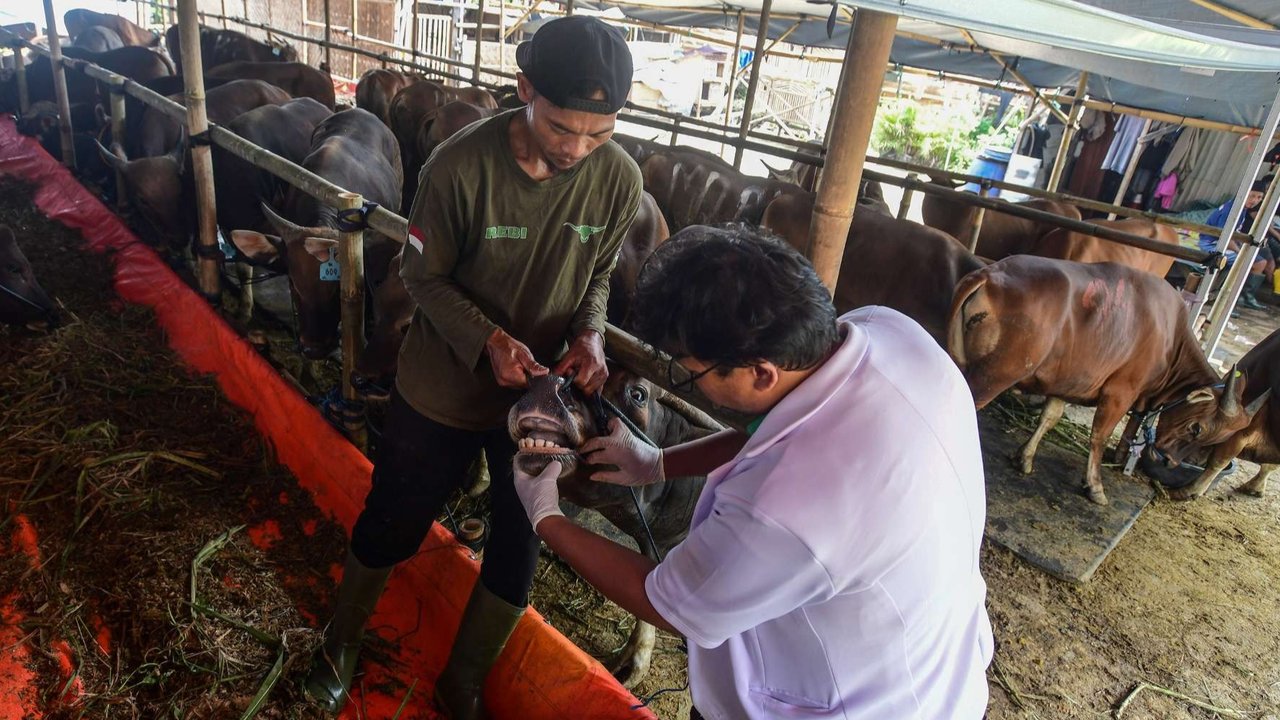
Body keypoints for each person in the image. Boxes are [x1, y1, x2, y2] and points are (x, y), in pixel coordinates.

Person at [303, 16, 642, 718]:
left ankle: (461, 682)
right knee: (395, 517)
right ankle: (340, 642)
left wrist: (590, 334)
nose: (577, 149)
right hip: (444, 389)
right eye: (562, 128)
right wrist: (487, 339)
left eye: (599, 134)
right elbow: (421, 275)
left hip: (539, 404)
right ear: (525, 90)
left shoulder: (618, 178)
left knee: (521, 549)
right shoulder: (458, 167)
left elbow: (600, 272)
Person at [514, 225, 994, 719]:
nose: (689, 383)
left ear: (762, 373)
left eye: (691, 374)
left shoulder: (785, 510)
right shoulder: (890, 331)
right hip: (942, 661)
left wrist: (546, 516)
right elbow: (780, 424)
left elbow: (669, 602)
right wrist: (659, 463)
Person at [1201, 178, 1273, 310]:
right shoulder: (1232, 209)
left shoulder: (1243, 208)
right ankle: (1223, 300)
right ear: (1244, 192)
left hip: (1229, 243)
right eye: (1252, 195)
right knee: (1243, 262)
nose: (1255, 200)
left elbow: (1235, 234)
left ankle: (1245, 298)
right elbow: (1224, 238)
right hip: (1212, 243)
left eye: (1259, 197)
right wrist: (1240, 253)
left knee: (1261, 263)